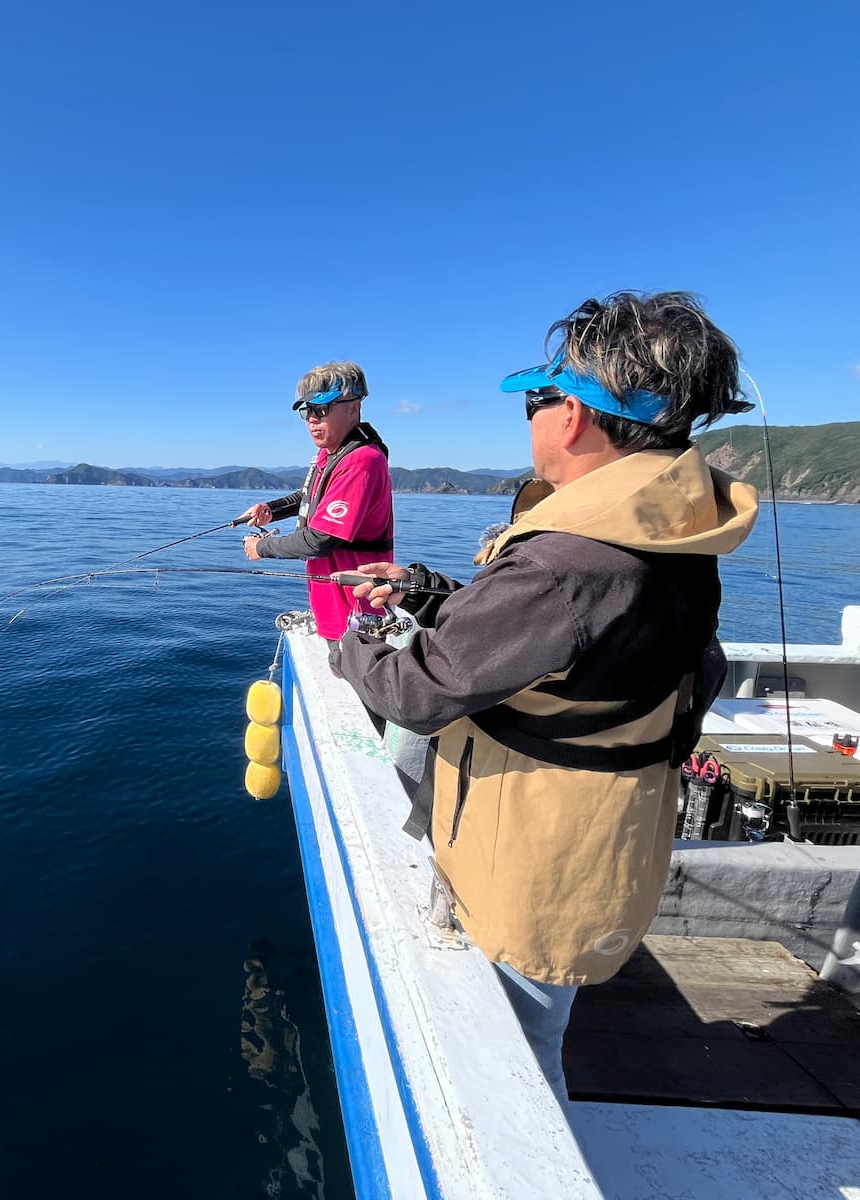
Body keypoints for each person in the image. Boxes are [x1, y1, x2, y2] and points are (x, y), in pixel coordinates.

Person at [335, 291, 759, 1103]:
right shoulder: (666, 533)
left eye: (538, 399)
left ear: (571, 416)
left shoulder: (565, 563)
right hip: (598, 850)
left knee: (518, 1079)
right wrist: (429, 592)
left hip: (528, 866)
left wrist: (355, 639)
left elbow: (416, 691)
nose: (530, 418)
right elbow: (574, 639)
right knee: (543, 1030)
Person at [238, 361, 394, 676]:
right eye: (306, 411)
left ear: (353, 409)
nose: (311, 419)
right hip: (334, 606)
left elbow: (321, 539)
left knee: (357, 684)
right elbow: (309, 496)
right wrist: (272, 508)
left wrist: (262, 549)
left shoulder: (361, 461)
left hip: (355, 611)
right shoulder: (332, 454)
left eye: (321, 409)